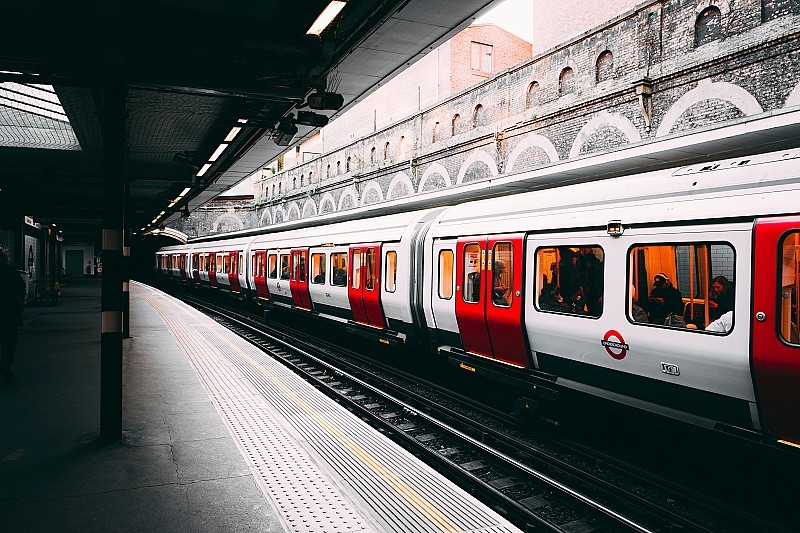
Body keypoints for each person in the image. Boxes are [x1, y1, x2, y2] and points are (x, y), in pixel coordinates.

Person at [0, 248, 26, 382]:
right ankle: (5, 365)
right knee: (8, 341)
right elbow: (21, 287)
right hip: (8, 312)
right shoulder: (10, 270)